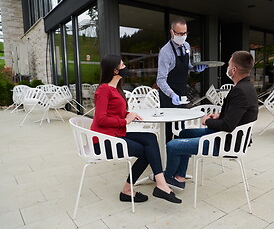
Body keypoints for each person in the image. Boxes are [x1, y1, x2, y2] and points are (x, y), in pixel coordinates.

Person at [90, 54, 181, 203]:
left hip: (115, 134)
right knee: (147, 152)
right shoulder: (104, 90)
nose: (125, 67)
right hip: (103, 141)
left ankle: (159, 184)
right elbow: (100, 118)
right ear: (114, 71)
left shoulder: (115, 88)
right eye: (122, 65)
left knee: (150, 137)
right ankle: (150, 187)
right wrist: (125, 121)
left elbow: (113, 112)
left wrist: (128, 114)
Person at [164, 51, 259, 190]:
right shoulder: (247, 87)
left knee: (172, 145)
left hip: (225, 142)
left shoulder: (240, 91)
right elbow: (237, 115)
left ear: (234, 69)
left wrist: (206, 121)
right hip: (226, 136)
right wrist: (219, 115)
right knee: (183, 133)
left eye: (229, 64)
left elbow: (227, 125)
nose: (227, 67)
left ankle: (166, 179)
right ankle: (180, 177)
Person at [157, 17, 208, 143]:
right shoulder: (165, 52)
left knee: (181, 124)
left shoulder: (186, 45)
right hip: (168, 94)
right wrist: (172, 94)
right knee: (169, 127)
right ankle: (168, 152)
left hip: (181, 91)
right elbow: (160, 80)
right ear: (172, 32)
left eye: (184, 33)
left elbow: (186, 66)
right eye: (179, 33)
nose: (182, 36)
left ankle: (180, 149)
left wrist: (196, 68)